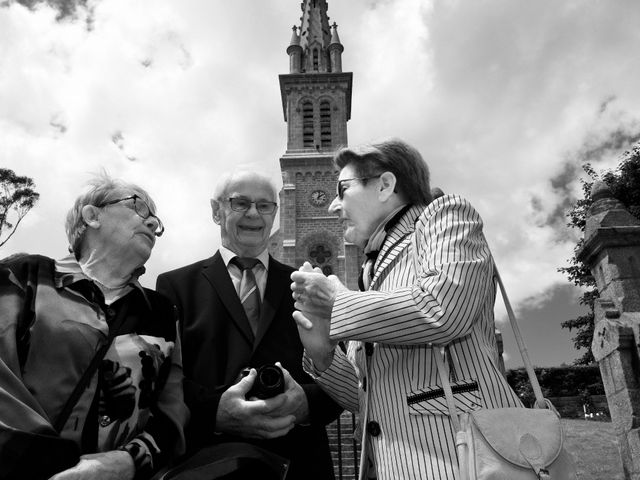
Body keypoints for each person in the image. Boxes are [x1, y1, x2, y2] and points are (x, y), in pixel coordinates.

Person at [290, 139, 523, 480]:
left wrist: (338, 302)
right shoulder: (370, 273)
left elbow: (444, 309)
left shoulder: (444, 216)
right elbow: (366, 401)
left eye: (343, 189)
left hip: (463, 463)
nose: (334, 207)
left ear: (385, 185)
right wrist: (324, 354)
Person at [0, 174, 188, 480]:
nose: (153, 223)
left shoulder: (162, 313)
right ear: (92, 216)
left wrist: (128, 462)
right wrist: (50, 466)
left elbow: (172, 412)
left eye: (156, 220)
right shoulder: (25, 275)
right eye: (139, 208)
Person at [156, 171, 341, 480]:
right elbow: (163, 382)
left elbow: (342, 380)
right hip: (208, 465)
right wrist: (215, 413)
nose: (254, 213)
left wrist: (304, 404)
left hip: (300, 465)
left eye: (265, 206)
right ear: (217, 211)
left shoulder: (309, 286)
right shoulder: (175, 285)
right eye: (240, 203)